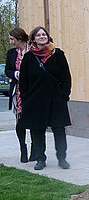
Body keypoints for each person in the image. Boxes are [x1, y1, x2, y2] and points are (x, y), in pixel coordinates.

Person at [19, 26, 72, 170]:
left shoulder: (58, 54)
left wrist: (64, 95)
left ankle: (62, 159)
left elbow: (66, 77)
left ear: (48, 36)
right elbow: (23, 81)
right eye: (38, 35)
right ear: (33, 39)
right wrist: (25, 98)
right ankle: (40, 159)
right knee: (37, 131)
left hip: (56, 100)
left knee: (59, 131)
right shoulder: (29, 57)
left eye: (44, 34)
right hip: (35, 101)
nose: (42, 36)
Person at [5, 27, 36, 163]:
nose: (11, 42)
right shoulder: (11, 53)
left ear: (19, 38)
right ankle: (23, 149)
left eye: (12, 39)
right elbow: (7, 70)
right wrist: (15, 74)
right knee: (20, 121)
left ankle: (35, 150)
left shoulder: (33, 51)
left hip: (33, 91)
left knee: (35, 121)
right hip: (18, 92)